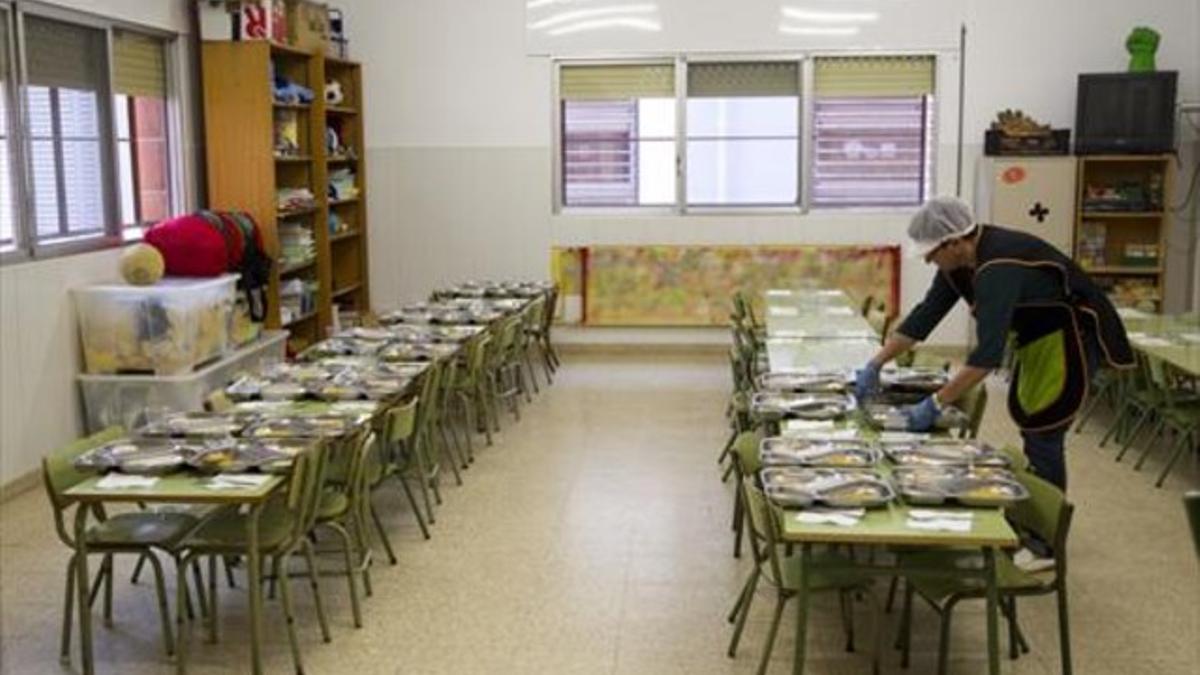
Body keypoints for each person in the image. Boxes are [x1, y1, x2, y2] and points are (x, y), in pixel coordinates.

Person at [854, 197, 1134, 566]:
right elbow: (924, 317)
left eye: (930, 252)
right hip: (1037, 338)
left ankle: (1044, 544)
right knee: (1032, 424)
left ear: (955, 242)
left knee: (1044, 431)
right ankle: (1030, 522)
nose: (926, 259)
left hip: (1070, 339)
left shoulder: (998, 266)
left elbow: (985, 358)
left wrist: (935, 404)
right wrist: (875, 363)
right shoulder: (958, 264)